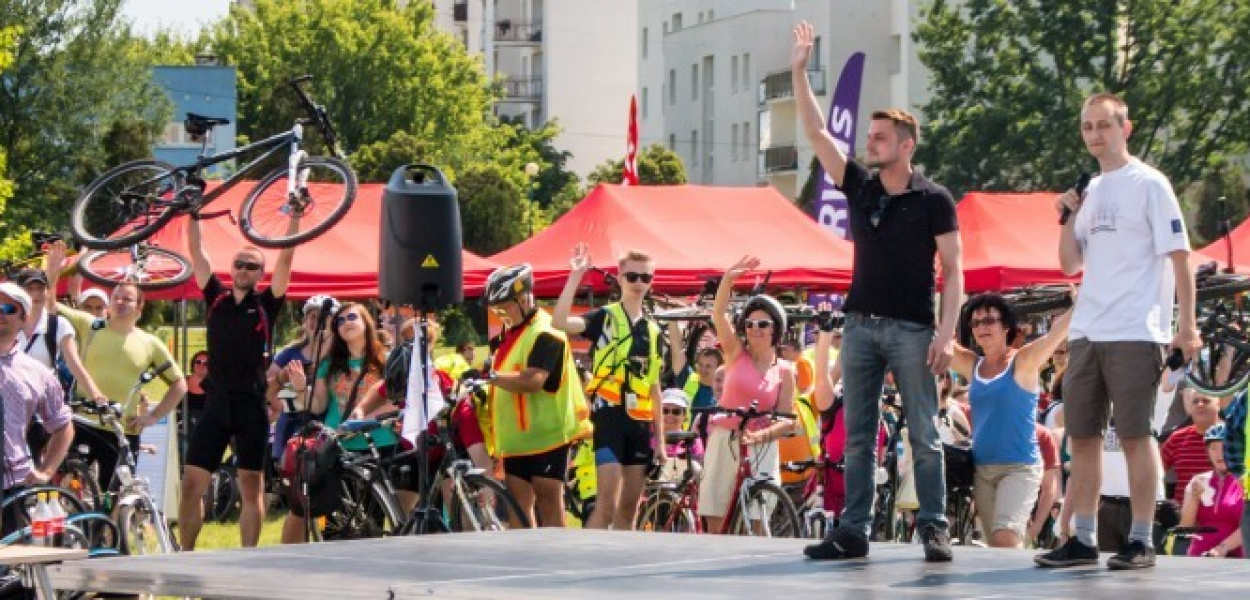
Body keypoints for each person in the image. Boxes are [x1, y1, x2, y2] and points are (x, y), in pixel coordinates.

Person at [793, 21, 962, 562]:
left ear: (906, 146)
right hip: (860, 325)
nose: (871, 143)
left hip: (913, 329)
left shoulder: (933, 198)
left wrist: (946, 331)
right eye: (870, 137)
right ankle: (853, 530)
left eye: (881, 137)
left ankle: (933, 527)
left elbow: (954, 269)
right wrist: (799, 70)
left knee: (924, 433)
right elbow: (819, 134)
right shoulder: (861, 186)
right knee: (858, 437)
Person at [1036, 92, 1199, 571]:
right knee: (1082, 438)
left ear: (1125, 128)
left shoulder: (1150, 184)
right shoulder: (1088, 190)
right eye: (1087, 127)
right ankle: (1083, 539)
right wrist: (1065, 216)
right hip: (1088, 329)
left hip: (1136, 329)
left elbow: (1181, 258)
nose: (1094, 135)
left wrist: (1185, 327)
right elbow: (1069, 264)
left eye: (1104, 125)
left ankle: (1142, 538)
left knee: (1134, 435)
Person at [172, 212, 299, 550]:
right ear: (232, 269)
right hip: (216, 404)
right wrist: (194, 213)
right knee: (191, 483)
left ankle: (248, 558)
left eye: (251, 266)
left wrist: (295, 218)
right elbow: (197, 253)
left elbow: (286, 257)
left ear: (260, 274)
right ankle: (185, 555)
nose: (244, 270)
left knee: (251, 485)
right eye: (239, 264)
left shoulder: (266, 306)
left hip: (250, 406)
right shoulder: (215, 298)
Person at [45, 243, 187, 496]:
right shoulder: (91, 325)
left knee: (116, 496)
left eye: (128, 299)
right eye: (116, 298)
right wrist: (53, 275)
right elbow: (50, 308)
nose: (120, 303)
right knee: (70, 491)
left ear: (139, 308)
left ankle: (110, 535)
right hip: (83, 422)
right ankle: (76, 533)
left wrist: (152, 417)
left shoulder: (149, 343)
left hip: (121, 430)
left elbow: (179, 384)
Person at [553, 244, 664, 530]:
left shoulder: (652, 330)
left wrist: (661, 442)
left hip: (639, 423)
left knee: (630, 509)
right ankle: (590, 562)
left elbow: (654, 388)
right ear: (620, 278)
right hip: (609, 417)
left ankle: (622, 569)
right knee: (607, 505)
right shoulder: (606, 317)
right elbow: (559, 322)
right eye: (632, 277)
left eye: (646, 278)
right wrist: (575, 276)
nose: (639, 283)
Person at [949, 292, 1073, 549]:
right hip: (983, 469)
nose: (982, 327)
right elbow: (936, 340)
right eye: (975, 323)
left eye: (989, 321)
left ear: (1006, 326)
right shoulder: (974, 365)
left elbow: (1054, 337)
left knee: (1005, 537)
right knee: (994, 545)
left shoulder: (1022, 361)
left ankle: (1017, 589)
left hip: (1020, 468)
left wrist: (1080, 302)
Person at [486, 264, 591, 528]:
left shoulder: (546, 332)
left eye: (505, 308)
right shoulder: (509, 334)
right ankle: (525, 562)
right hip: (517, 439)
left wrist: (493, 377)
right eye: (496, 311)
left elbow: (533, 380)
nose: (501, 315)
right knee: (518, 510)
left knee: (548, 503)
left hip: (548, 434)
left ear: (524, 299)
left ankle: (559, 561)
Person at [698, 256, 797, 534]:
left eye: (763, 324)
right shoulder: (735, 354)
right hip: (726, 436)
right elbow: (718, 316)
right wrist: (728, 280)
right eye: (750, 324)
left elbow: (789, 420)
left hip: (761, 442)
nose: (755, 329)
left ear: (776, 329)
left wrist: (763, 435)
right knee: (717, 514)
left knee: (760, 515)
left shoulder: (785, 370)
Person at [280, 302, 388, 543]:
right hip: (340, 447)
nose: (346, 323)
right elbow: (317, 405)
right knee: (337, 522)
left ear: (366, 323)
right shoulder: (329, 365)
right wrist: (300, 389)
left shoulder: (386, 360)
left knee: (374, 521)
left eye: (352, 317)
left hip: (380, 442)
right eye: (340, 320)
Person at [0, 282, 73, 535]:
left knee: (11, 570)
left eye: (8, 308)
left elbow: (63, 425)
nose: (0, 313)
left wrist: (47, 470)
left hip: (12, 485)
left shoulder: (37, 372)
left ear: (24, 318)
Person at [266, 295, 339, 468]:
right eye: (311, 316)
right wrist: (282, 377)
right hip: (293, 423)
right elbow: (265, 387)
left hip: (329, 421)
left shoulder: (340, 354)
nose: (316, 321)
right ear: (304, 320)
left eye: (322, 316)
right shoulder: (290, 352)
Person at [1178, 424, 1243, 558]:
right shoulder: (1199, 480)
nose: (1220, 454)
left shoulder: (1245, 480)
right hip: (1200, 557)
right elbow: (1185, 528)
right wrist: (1194, 498)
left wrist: (1222, 548)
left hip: (1238, 559)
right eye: (1214, 448)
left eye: (1225, 447)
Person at [1160, 388, 1221, 505]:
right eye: (1195, 401)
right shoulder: (1177, 438)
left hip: (1221, 513)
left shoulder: (1232, 437)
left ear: (1218, 405)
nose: (1200, 405)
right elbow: (1157, 471)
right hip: (1185, 514)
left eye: (1206, 401)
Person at [656, 389, 703, 481]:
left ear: (685, 415)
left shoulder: (692, 440)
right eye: (665, 411)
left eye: (676, 411)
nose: (670, 415)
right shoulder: (647, 438)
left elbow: (699, 468)